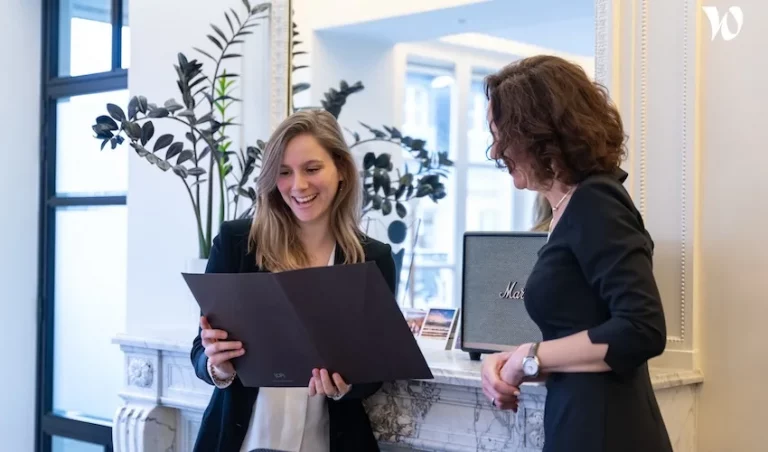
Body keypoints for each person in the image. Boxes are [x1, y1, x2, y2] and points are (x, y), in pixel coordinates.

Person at [479, 55, 672, 452]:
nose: (496, 150)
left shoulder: (595, 203)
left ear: (542, 135)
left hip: (608, 433)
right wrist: (516, 362)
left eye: (504, 135)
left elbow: (642, 330)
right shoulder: (569, 210)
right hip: (584, 424)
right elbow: (582, 341)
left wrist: (527, 356)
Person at [190, 109, 396, 452]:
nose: (298, 185)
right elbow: (200, 347)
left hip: (330, 441)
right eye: (284, 173)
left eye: (312, 169)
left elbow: (375, 371)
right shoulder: (235, 243)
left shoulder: (373, 258)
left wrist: (347, 384)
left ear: (341, 170)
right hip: (241, 440)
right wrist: (217, 366)